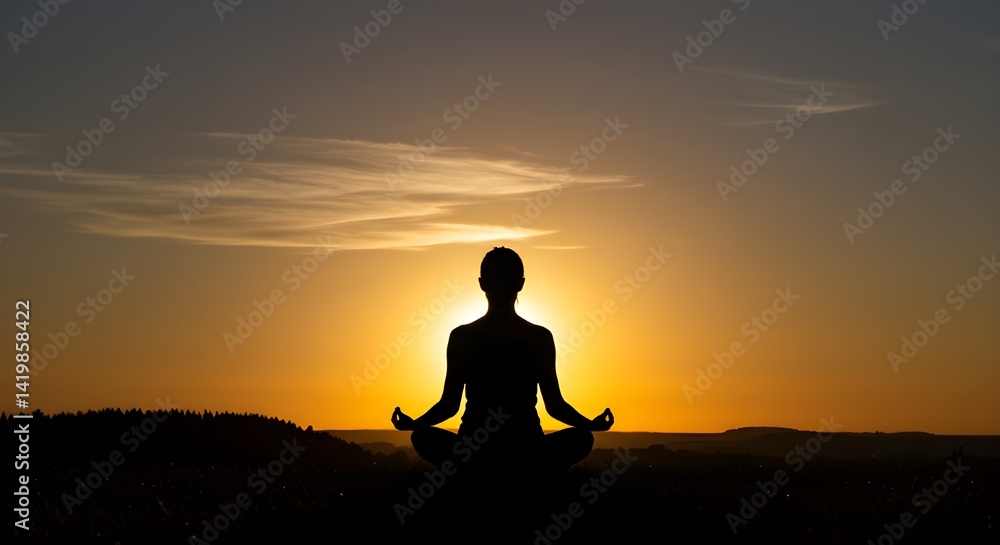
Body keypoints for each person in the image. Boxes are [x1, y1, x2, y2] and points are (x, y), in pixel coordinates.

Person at [391, 246, 613, 476]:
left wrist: (414, 424)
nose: (500, 287)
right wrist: (590, 425)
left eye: (504, 279)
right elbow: (555, 406)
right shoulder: (538, 337)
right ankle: (534, 476)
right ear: (521, 283)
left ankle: (474, 476)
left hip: (477, 450)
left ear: (482, 284)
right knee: (582, 438)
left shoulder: (463, 336)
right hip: (526, 448)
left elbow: (449, 405)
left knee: (422, 436)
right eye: (497, 280)